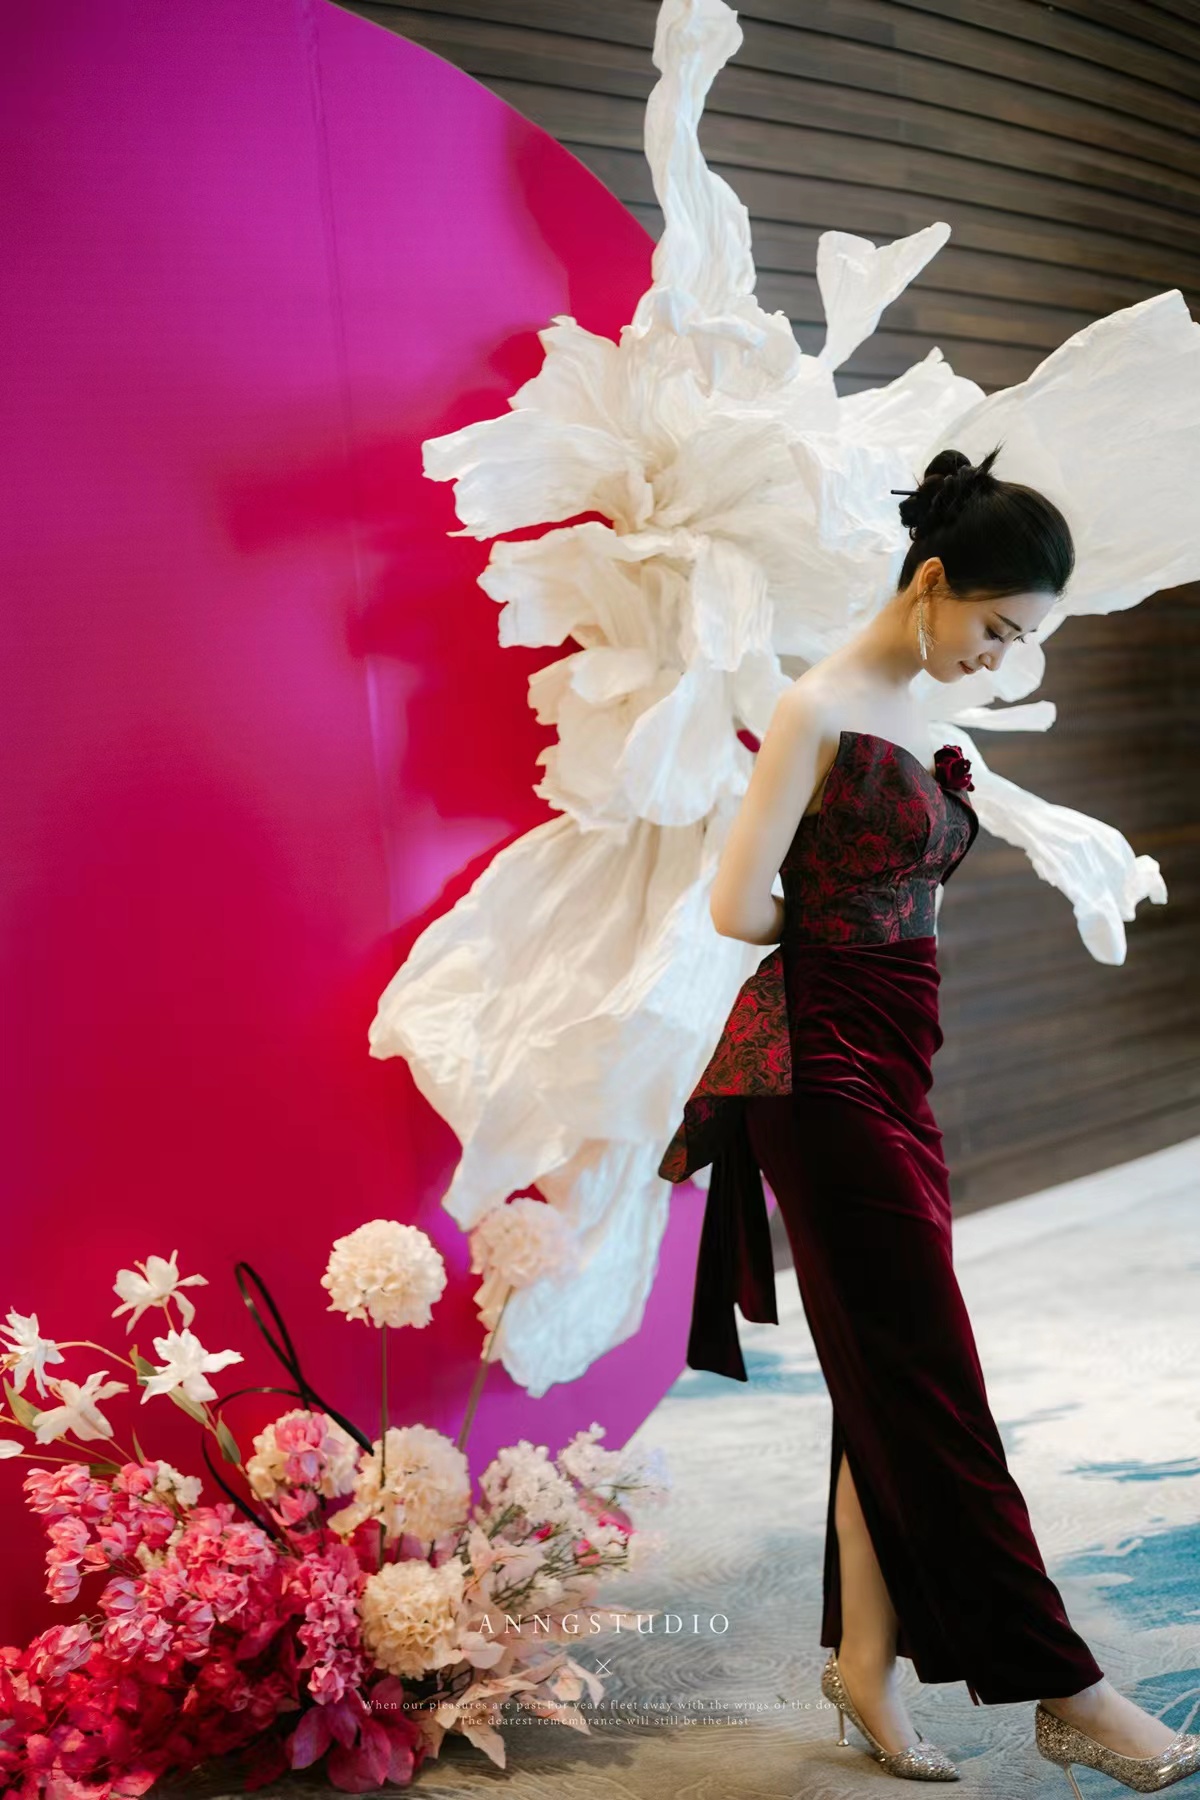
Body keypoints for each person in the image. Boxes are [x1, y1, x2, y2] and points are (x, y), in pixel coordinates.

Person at [658, 448, 1200, 1790]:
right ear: (935, 582)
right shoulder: (818, 707)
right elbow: (736, 906)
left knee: (890, 1361)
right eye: (999, 629)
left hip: (900, 1061)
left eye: (1023, 640)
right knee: (931, 1375)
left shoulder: (915, 706)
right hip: (823, 1068)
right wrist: (839, 935)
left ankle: (863, 1659)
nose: (1003, 658)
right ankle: (1066, 1687)